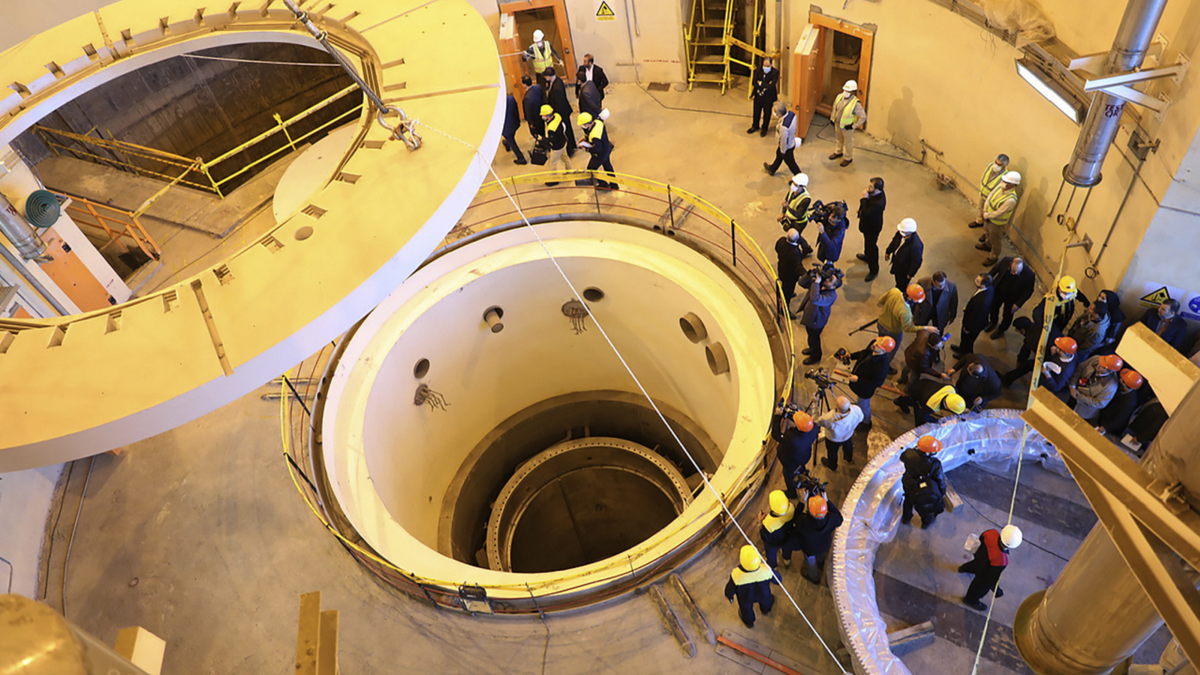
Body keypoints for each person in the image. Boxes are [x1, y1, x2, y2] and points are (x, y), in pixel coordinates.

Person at [960, 525, 1023, 611]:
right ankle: (970, 600)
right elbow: (990, 579)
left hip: (979, 558)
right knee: (979, 587)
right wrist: (997, 591)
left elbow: (981, 539)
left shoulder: (991, 533)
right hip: (984, 570)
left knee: (974, 565)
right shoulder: (1001, 561)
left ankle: (963, 568)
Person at [784, 495, 843, 584]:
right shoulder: (832, 519)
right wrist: (827, 501)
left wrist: (801, 502)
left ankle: (814, 577)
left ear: (810, 512)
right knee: (821, 554)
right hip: (824, 544)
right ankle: (820, 562)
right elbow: (839, 517)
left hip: (810, 549)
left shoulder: (803, 522)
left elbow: (795, 518)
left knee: (810, 562)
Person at [877, 284, 938, 362]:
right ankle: (885, 363)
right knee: (890, 350)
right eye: (915, 301)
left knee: (881, 344)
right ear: (909, 298)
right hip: (892, 332)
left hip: (880, 323)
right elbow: (908, 328)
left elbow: (881, 301)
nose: (916, 303)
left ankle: (878, 356)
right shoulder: (905, 312)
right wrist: (926, 328)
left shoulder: (894, 291)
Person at [845, 336, 895, 431]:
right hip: (858, 382)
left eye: (878, 346)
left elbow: (877, 383)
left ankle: (866, 422)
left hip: (865, 390)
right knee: (861, 403)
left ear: (884, 351)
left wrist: (858, 380)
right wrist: (851, 356)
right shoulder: (873, 346)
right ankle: (859, 407)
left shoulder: (882, 366)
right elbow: (863, 353)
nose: (875, 344)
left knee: (864, 405)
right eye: (877, 342)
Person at [796, 264, 840, 365]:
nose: (827, 280)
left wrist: (816, 283)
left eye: (830, 280)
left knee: (814, 338)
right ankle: (812, 348)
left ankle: (816, 356)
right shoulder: (820, 285)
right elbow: (801, 283)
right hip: (811, 317)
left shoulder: (831, 296)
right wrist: (809, 274)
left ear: (834, 286)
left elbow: (815, 299)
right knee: (811, 336)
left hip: (817, 321)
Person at [900, 435, 947, 528]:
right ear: (929, 452)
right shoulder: (935, 464)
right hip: (925, 488)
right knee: (926, 506)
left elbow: (902, 458)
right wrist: (942, 492)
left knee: (908, 500)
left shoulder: (909, 454)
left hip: (909, 484)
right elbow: (939, 479)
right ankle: (925, 523)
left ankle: (906, 518)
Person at [724, 545, 777, 628]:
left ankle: (749, 622)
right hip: (763, 594)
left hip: (746, 597)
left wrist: (730, 597)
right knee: (766, 601)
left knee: (746, 609)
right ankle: (765, 610)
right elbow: (778, 579)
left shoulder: (736, 576)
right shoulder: (766, 570)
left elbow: (729, 589)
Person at [770, 408, 817, 499]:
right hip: (804, 456)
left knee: (788, 475)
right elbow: (803, 424)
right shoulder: (814, 428)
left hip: (791, 462)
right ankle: (803, 474)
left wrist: (777, 416)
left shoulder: (791, 437)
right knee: (801, 466)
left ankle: (791, 492)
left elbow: (776, 434)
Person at [977, 171, 1021, 267]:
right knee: (987, 232)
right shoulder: (1000, 187)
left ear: (1013, 184)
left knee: (995, 240)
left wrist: (986, 215)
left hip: (996, 223)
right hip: (987, 216)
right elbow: (989, 197)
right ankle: (988, 245)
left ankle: (993, 257)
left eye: (1007, 182)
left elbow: (1000, 212)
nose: (1004, 183)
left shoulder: (1011, 199)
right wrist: (984, 210)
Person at [985, 256, 1036, 339]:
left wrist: (1018, 304)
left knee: (1007, 315)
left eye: (1016, 272)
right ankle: (993, 321)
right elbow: (993, 271)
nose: (1014, 273)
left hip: (1012, 298)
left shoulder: (1029, 275)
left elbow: (1029, 291)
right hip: (999, 291)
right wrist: (986, 283)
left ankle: (1001, 329)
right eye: (1012, 271)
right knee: (993, 307)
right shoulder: (1005, 261)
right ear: (1011, 264)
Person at [1070, 353, 1124, 422]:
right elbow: (1080, 368)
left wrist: (1079, 396)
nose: (1098, 366)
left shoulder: (1111, 386)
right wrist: (1072, 386)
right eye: (1100, 363)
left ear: (1110, 372)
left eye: (1103, 367)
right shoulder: (1096, 359)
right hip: (1071, 393)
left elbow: (1099, 403)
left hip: (1082, 409)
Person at [952, 273, 994, 356]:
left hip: (973, 326)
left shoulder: (981, 302)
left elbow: (975, 318)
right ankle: (962, 348)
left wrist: (967, 328)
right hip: (977, 319)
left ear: (982, 286)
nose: (975, 281)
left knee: (968, 340)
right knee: (965, 340)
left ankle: (965, 354)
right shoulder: (989, 287)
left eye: (977, 281)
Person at [817, 396, 863, 471]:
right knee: (848, 446)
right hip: (847, 435)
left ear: (837, 408)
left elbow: (817, 421)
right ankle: (848, 458)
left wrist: (815, 403)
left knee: (832, 452)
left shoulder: (828, 418)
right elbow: (860, 419)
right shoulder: (856, 410)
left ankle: (832, 465)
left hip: (833, 439)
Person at [895, 378, 967, 427]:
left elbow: (955, 402)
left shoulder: (952, 389)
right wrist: (935, 420)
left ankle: (900, 401)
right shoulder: (932, 405)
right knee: (917, 410)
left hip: (924, 383)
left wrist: (962, 409)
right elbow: (923, 416)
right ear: (947, 407)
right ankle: (900, 402)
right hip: (914, 391)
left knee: (913, 400)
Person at [1124, 299, 1189, 352]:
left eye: (1163, 309)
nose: (1159, 309)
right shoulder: (1151, 313)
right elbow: (1138, 327)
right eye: (1160, 307)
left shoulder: (1181, 325)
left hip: (1159, 351)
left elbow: (1174, 345)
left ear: (1171, 313)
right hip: (1141, 344)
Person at [828, 80, 866, 167]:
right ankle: (838, 152)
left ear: (853, 92)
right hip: (838, 124)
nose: (846, 92)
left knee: (848, 143)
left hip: (847, 127)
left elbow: (863, 117)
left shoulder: (855, 103)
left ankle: (848, 158)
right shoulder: (839, 97)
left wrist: (853, 126)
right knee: (839, 139)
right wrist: (832, 119)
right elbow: (834, 108)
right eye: (845, 90)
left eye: (848, 91)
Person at [1096, 369, 1144, 437]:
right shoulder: (1124, 389)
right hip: (1105, 415)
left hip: (1110, 427)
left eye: (1122, 379)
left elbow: (1120, 419)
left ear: (1125, 384)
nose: (1120, 379)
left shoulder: (1129, 402)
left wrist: (1105, 427)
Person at [856, 177, 887, 282]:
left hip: (872, 228)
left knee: (872, 246)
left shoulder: (878, 203)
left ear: (877, 190)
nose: (868, 188)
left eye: (870, 187)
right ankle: (867, 256)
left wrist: (863, 199)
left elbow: (867, 213)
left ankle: (874, 269)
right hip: (867, 225)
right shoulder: (875, 194)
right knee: (867, 243)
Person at [577, 112, 617, 190]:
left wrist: (586, 149)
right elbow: (592, 132)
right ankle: (614, 184)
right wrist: (586, 137)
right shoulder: (598, 122)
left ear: (587, 124)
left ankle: (603, 184)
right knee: (608, 167)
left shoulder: (595, 136)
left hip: (601, 154)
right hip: (606, 148)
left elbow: (597, 149)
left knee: (591, 169)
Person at [969, 154, 1010, 229]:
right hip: (983, 194)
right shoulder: (990, 166)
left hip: (991, 199)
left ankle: (986, 230)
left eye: (999, 164)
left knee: (988, 215)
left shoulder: (1005, 176)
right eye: (996, 162)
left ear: (1004, 166)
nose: (996, 165)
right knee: (981, 209)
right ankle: (979, 221)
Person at [763, 101, 802, 177]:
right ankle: (772, 169)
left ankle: (799, 177)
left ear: (779, 113)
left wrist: (783, 151)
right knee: (778, 155)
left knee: (791, 163)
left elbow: (784, 140)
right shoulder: (792, 114)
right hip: (791, 141)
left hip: (786, 147)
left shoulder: (783, 127)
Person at [545, 68, 576, 158]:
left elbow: (559, 104)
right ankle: (572, 145)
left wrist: (556, 117)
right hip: (564, 110)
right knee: (568, 129)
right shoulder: (556, 80)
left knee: (565, 131)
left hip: (561, 113)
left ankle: (570, 149)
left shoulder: (557, 88)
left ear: (549, 76)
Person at [884, 218, 923, 290]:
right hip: (897, 264)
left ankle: (900, 292)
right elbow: (894, 242)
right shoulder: (900, 233)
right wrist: (888, 251)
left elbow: (917, 261)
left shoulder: (916, 246)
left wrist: (910, 273)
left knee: (901, 284)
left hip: (904, 270)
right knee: (897, 279)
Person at [759, 490, 794, 569]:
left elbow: (764, 536)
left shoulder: (768, 523)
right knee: (787, 548)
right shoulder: (791, 508)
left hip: (773, 543)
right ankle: (787, 560)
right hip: (787, 537)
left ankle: (773, 566)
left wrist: (760, 522)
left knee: (770, 553)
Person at [538, 105, 573, 184]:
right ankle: (570, 172)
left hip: (557, 147)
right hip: (563, 141)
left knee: (552, 163)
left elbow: (552, 140)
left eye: (543, 115)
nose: (542, 117)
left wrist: (542, 139)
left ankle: (554, 180)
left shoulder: (551, 128)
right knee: (565, 158)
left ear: (547, 116)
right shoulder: (557, 116)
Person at [775, 229, 806, 315]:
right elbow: (798, 267)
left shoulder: (781, 241)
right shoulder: (795, 252)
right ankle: (784, 309)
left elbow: (776, 249)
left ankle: (784, 293)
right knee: (787, 291)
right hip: (790, 276)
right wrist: (806, 274)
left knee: (784, 285)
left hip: (782, 269)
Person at [747, 58, 780, 137]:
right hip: (758, 95)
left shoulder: (775, 72)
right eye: (764, 65)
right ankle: (755, 125)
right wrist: (764, 85)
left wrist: (761, 83)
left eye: (767, 66)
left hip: (768, 97)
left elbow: (771, 86)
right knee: (756, 111)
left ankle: (764, 128)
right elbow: (754, 82)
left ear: (771, 65)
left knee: (767, 113)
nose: (765, 67)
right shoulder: (758, 70)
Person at [778, 173, 814, 240]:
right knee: (790, 235)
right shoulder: (792, 190)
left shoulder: (805, 199)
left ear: (802, 186)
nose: (793, 186)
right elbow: (786, 201)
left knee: (794, 238)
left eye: (795, 185)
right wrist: (783, 213)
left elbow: (799, 215)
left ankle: (802, 244)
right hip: (790, 217)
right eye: (793, 183)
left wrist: (788, 208)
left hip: (798, 223)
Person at [500, 92, 528, 165]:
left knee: (512, 142)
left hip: (506, 128)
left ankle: (521, 158)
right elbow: (516, 110)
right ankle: (507, 143)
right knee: (511, 137)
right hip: (514, 123)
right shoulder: (511, 99)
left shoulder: (496, 107)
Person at [521, 75, 545, 139]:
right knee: (542, 132)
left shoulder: (527, 98)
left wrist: (531, 123)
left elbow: (528, 112)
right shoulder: (538, 87)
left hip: (534, 120)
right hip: (541, 115)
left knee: (536, 134)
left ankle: (541, 143)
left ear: (524, 85)